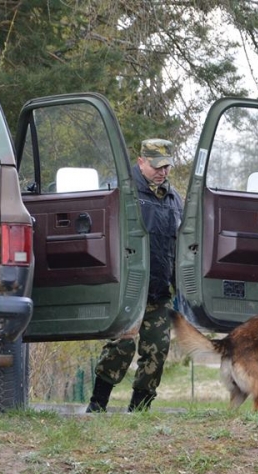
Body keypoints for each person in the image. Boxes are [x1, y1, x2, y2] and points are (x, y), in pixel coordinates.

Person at [86, 138, 184, 412]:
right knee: (121, 347)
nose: (162, 172)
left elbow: (183, 246)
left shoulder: (175, 199)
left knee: (157, 350)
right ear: (141, 162)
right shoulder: (122, 191)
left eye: (166, 166)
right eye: (156, 166)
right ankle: (97, 405)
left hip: (160, 292)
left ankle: (139, 410)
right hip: (129, 288)